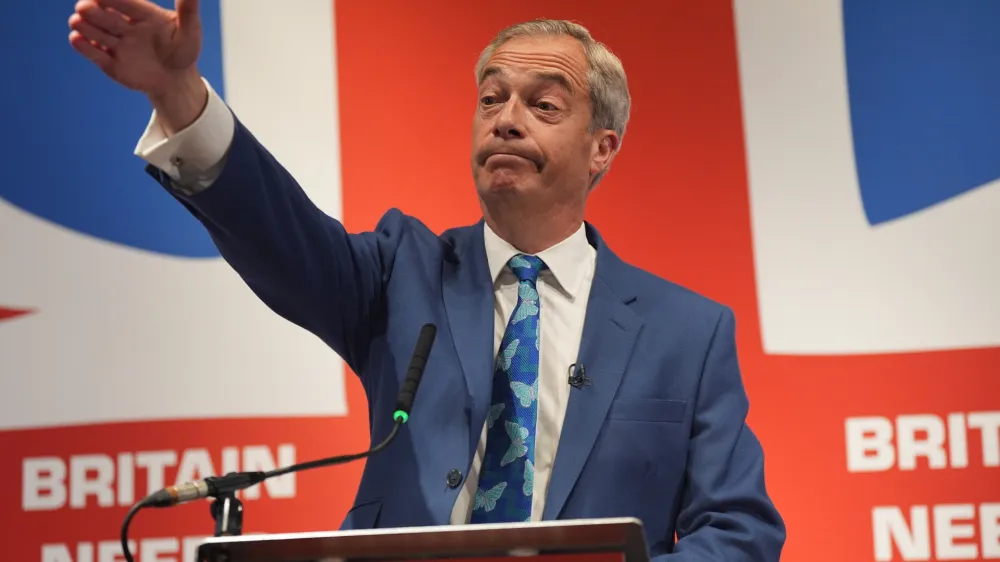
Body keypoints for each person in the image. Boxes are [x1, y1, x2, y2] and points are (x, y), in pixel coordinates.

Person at [68, 0, 786, 559]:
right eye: (491, 98)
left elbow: (741, 530)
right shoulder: (396, 272)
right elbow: (272, 229)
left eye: (543, 105)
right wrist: (178, 90)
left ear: (602, 149)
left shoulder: (686, 332)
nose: (505, 121)